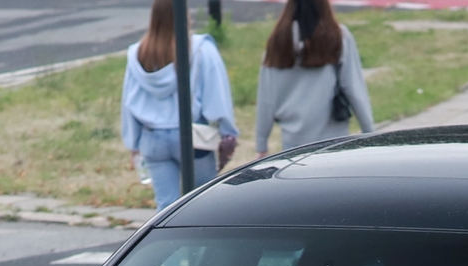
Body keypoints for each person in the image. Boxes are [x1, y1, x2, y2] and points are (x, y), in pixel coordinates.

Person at [121, 0, 239, 208]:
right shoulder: (201, 49)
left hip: (152, 139)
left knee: (166, 207)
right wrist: (227, 132)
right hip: (193, 136)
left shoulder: (138, 54)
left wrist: (133, 144)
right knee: (203, 205)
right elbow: (217, 95)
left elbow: (129, 101)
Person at [254, 0, 374, 156]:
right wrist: (369, 132)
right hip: (334, 139)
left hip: (293, 142)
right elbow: (354, 89)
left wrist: (261, 143)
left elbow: (267, 98)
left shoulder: (278, 41)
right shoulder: (337, 36)